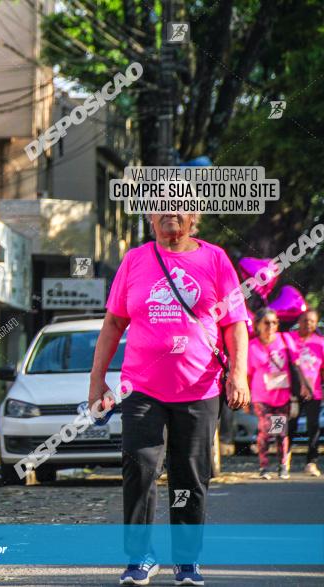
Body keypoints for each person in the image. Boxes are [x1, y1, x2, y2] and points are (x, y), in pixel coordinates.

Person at [89, 213, 250, 586]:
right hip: (142, 388)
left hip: (199, 388)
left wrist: (238, 374)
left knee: (190, 476)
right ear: (150, 216)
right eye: (160, 206)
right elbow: (114, 323)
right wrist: (97, 380)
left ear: (194, 216)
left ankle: (187, 560)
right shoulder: (135, 259)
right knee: (140, 469)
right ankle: (140, 556)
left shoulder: (215, 259)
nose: (169, 214)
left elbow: (235, 324)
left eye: (177, 207)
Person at [246, 308, 296, 479]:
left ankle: (282, 466)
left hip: (281, 396)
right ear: (258, 325)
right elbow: (247, 375)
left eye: (274, 322)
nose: (271, 326)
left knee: (280, 432)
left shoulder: (284, 340)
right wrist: (246, 400)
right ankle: (264, 466)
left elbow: (296, 366)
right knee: (265, 431)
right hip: (262, 397)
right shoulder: (252, 346)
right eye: (266, 322)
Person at [287, 309, 323, 477]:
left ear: (316, 324)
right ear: (299, 321)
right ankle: (283, 457)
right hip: (289, 393)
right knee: (285, 425)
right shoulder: (289, 340)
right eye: (305, 320)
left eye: (312, 321)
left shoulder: (321, 342)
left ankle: (311, 461)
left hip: (313, 393)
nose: (308, 324)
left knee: (313, 427)